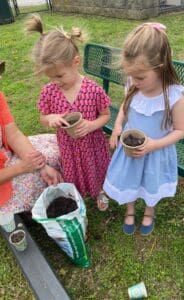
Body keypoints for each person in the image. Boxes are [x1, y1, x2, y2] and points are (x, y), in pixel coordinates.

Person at [103, 22, 184, 235]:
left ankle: (149, 211)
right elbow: (125, 106)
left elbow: (180, 131)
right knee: (130, 179)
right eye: (132, 76)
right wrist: (118, 126)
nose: (135, 81)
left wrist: (154, 145)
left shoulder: (174, 96)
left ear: (160, 67)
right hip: (130, 150)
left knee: (151, 183)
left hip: (156, 152)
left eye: (140, 77)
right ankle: (130, 210)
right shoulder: (133, 85)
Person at [26, 14, 112, 211]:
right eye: (50, 77)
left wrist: (91, 125)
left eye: (59, 75)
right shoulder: (49, 92)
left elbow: (105, 115)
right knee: (75, 173)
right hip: (68, 146)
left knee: (96, 169)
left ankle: (99, 191)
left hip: (92, 144)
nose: (55, 81)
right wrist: (51, 118)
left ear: (76, 61)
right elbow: (43, 117)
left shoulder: (93, 89)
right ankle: (78, 195)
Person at [0, 60, 63, 215]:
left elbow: (13, 134)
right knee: (34, 177)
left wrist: (40, 165)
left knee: (59, 148)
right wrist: (22, 167)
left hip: (6, 156)